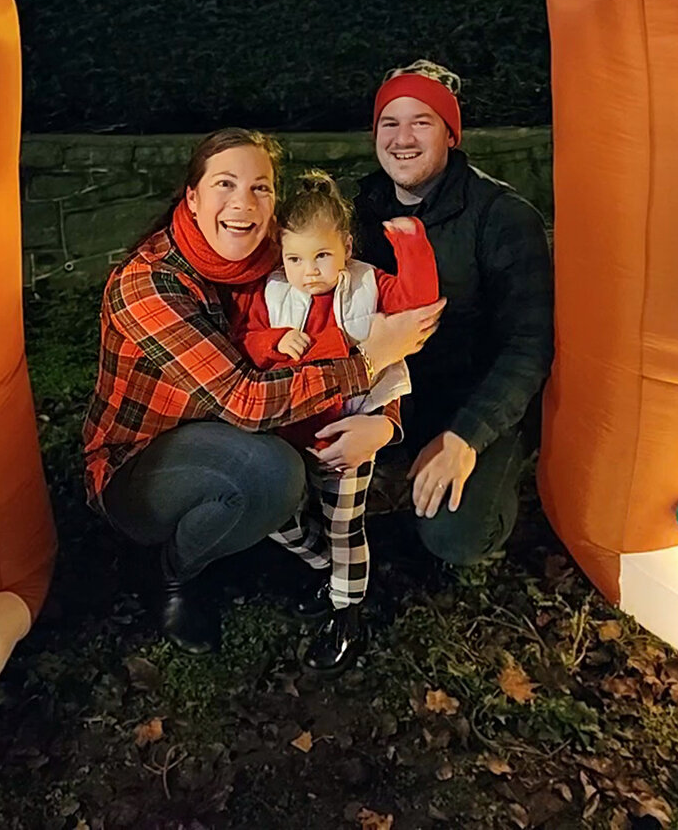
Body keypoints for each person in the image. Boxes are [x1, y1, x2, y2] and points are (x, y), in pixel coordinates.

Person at [82, 129, 446, 654]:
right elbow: (247, 401)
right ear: (192, 197)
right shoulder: (149, 284)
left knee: (278, 479)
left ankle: (282, 551)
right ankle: (171, 572)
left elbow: (376, 316)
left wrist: (384, 418)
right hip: (141, 462)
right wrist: (366, 359)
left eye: (261, 188)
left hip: (237, 433)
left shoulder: (284, 257)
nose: (243, 203)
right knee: (270, 473)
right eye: (225, 184)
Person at [226, 170, 438, 673]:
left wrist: (412, 248)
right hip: (288, 429)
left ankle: (347, 612)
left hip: (349, 429)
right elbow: (245, 335)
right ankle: (330, 570)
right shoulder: (273, 291)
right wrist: (272, 342)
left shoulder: (368, 283)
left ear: (344, 246)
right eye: (295, 258)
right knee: (280, 516)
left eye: (322, 256)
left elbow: (417, 304)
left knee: (345, 526)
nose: (309, 271)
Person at [354, 61, 554, 566]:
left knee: (456, 534)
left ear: (450, 133)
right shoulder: (359, 209)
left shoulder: (502, 217)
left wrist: (468, 435)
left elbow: (529, 345)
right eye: (389, 123)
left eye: (421, 121)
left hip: (474, 397)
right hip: (391, 392)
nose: (403, 138)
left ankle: (492, 490)